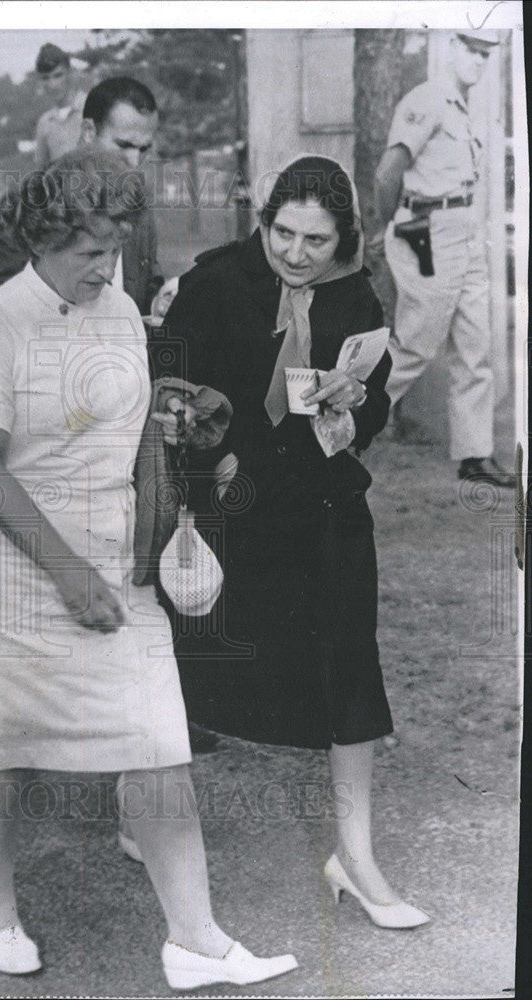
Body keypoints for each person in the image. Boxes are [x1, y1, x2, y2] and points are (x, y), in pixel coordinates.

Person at [0, 150, 297, 989]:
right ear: (44, 240)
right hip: (15, 564)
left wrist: (177, 427)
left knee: (157, 739)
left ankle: (195, 941)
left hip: (111, 556)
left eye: (115, 247)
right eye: (87, 251)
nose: (105, 266)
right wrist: (64, 574)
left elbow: (126, 424)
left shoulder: (121, 307)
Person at [159, 155, 431, 930]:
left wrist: (355, 404)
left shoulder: (354, 293)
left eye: (317, 239)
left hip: (320, 501)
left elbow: (370, 416)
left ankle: (356, 856)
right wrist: (213, 455)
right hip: (232, 503)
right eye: (284, 233)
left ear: (342, 235)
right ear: (264, 220)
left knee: (351, 667)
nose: (298, 253)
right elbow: (171, 391)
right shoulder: (214, 282)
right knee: (187, 662)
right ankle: (141, 815)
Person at [374, 29, 512, 489]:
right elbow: (387, 171)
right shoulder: (428, 99)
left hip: (464, 230)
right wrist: (388, 222)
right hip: (427, 232)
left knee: (476, 349)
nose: (476, 60)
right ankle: (341, 425)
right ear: (449, 48)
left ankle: (476, 455)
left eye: (484, 53)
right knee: (415, 344)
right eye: (469, 49)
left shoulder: (462, 105)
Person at [0, 76, 171, 324]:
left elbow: (144, 287)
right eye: (124, 145)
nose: (134, 162)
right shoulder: (27, 204)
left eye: (144, 149)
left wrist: (159, 303)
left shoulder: (136, 207)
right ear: (88, 131)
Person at [33, 42, 88, 169]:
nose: (53, 84)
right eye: (45, 78)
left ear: (70, 72)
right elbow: (40, 173)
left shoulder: (93, 106)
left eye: (58, 75)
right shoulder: (45, 122)